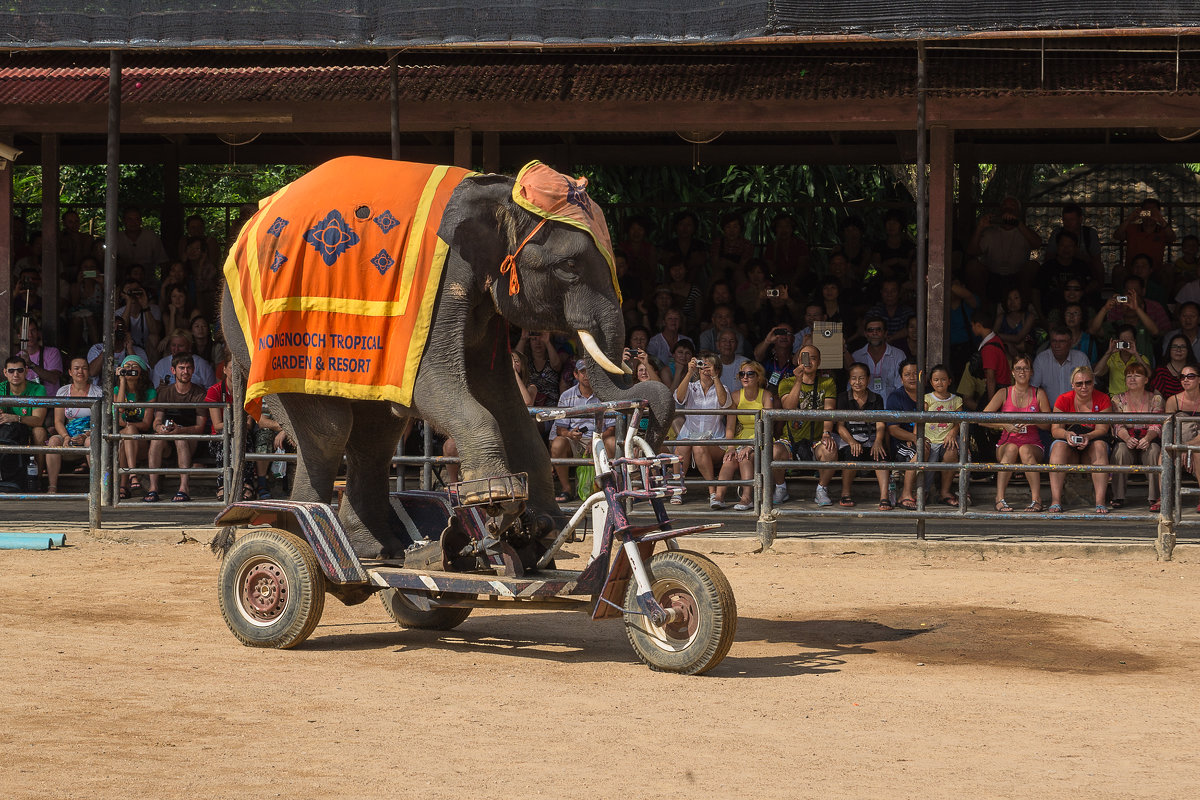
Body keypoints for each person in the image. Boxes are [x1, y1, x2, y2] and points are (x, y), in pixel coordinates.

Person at [711, 359, 790, 510]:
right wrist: (731, 447)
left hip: (760, 438)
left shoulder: (766, 395)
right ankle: (719, 497)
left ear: (758, 377)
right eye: (742, 374)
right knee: (729, 459)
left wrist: (751, 445)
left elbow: (768, 426)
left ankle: (747, 498)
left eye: (750, 374)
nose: (745, 377)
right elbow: (730, 427)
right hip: (740, 438)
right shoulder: (735, 396)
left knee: (746, 457)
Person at [982, 354, 1050, 513]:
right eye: (1018, 368)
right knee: (1012, 448)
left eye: (1026, 368)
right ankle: (999, 499)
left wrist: (1033, 420)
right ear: (1012, 372)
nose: (1022, 372)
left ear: (1031, 372)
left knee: (1025, 449)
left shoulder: (1039, 393)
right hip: (1007, 442)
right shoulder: (1003, 393)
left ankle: (1036, 500)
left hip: (1032, 444)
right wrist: (1004, 425)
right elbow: (982, 418)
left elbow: (1048, 425)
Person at [777, 344, 838, 506]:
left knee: (830, 450)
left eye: (813, 358)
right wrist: (798, 380)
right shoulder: (786, 382)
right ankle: (780, 487)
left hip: (816, 439)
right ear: (798, 360)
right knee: (774, 450)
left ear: (819, 362)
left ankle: (821, 489)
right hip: (790, 439)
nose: (809, 361)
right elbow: (788, 407)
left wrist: (827, 433)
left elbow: (829, 410)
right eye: (805, 357)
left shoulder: (828, 382)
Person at [548, 361, 616, 503]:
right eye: (583, 371)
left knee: (612, 442)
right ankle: (566, 489)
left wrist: (597, 439)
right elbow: (560, 428)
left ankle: (608, 489)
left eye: (590, 371)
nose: (587, 375)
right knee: (557, 443)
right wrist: (570, 434)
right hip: (575, 440)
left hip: (600, 438)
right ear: (576, 374)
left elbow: (611, 428)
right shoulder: (567, 396)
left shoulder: (605, 395)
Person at [1047, 366, 1112, 514]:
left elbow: (1103, 429)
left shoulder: (1102, 398)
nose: (1084, 387)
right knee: (1057, 447)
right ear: (1072, 385)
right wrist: (1067, 435)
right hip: (1069, 445)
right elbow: (1055, 430)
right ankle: (1056, 501)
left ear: (1093, 382)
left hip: (1093, 442)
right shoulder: (1063, 399)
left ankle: (1100, 502)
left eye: (1088, 382)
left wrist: (1088, 437)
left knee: (1100, 446)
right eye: (1079, 384)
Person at [144, 353, 207, 502]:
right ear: (173, 370)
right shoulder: (164, 392)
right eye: (181, 368)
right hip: (167, 441)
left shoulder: (200, 394)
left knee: (180, 439)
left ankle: (184, 488)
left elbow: (200, 427)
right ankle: (153, 488)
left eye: (188, 368)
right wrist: (160, 428)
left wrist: (180, 430)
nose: (185, 372)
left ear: (193, 370)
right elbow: (156, 420)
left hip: (190, 441)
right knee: (155, 438)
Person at [673, 352, 732, 507]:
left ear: (717, 370)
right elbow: (679, 398)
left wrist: (715, 377)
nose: (705, 370)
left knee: (698, 446)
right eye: (702, 366)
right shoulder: (691, 386)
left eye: (709, 366)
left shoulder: (722, 387)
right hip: (689, 438)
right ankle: (677, 490)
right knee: (684, 444)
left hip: (714, 441)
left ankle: (713, 493)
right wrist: (689, 373)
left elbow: (724, 402)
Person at [834, 361, 889, 509]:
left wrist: (878, 441)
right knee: (852, 456)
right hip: (850, 440)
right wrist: (852, 442)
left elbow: (880, 423)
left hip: (871, 440)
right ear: (849, 380)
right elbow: (840, 427)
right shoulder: (843, 398)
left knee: (881, 458)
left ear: (868, 379)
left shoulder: (876, 398)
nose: (857, 382)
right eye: (853, 378)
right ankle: (845, 494)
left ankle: (884, 497)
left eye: (861, 378)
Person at [1109, 361, 1163, 510]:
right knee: (1120, 451)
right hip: (1126, 439)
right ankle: (1118, 496)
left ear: (1146, 380)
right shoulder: (1117, 399)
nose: (1132, 379)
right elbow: (1117, 424)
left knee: (1154, 451)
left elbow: (1157, 423)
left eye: (1137, 375)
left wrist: (1147, 438)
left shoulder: (1156, 399)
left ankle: (1155, 497)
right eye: (1129, 376)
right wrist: (1127, 438)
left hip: (1148, 439)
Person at [967, 195, 1042, 301]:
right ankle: (980, 307)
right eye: (1005, 206)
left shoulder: (1024, 231)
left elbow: (1037, 244)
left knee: (1032, 266)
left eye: (1012, 206)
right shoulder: (991, 232)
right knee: (972, 266)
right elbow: (972, 251)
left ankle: (1024, 307)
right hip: (992, 276)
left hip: (1017, 276)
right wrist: (980, 228)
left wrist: (1018, 223)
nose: (1008, 209)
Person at [45, 357, 103, 494]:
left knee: (90, 442)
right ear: (70, 372)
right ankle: (52, 486)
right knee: (53, 440)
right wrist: (65, 437)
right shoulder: (63, 392)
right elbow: (58, 421)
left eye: (84, 368)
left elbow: (101, 422)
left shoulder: (98, 392)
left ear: (89, 371)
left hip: (90, 433)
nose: (80, 371)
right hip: (69, 434)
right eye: (76, 368)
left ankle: (97, 487)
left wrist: (85, 434)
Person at [113, 354, 155, 499]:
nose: (130, 369)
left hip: (142, 440)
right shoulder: (117, 390)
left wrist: (128, 425)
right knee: (125, 438)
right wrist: (122, 382)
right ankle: (132, 476)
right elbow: (119, 411)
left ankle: (124, 484)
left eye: (134, 366)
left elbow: (146, 424)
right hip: (124, 438)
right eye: (127, 366)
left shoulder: (150, 393)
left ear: (141, 371)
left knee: (128, 433)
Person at [923, 364, 964, 507]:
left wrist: (953, 432)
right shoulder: (927, 398)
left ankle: (945, 492)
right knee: (929, 465)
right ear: (930, 382)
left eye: (943, 379)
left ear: (950, 381)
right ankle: (925, 491)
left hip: (948, 439)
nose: (939, 383)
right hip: (930, 438)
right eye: (936, 380)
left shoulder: (956, 400)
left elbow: (959, 421)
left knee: (952, 453)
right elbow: (919, 420)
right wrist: (915, 437)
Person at [885, 359, 922, 509]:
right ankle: (905, 494)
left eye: (915, 374)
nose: (912, 377)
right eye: (907, 374)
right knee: (921, 451)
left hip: (927, 440)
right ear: (901, 378)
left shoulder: (928, 395)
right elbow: (893, 429)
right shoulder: (896, 397)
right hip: (901, 444)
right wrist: (914, 438)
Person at [1165, 365, 1200, 509]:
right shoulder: (1173, 400)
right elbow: (1168, 428)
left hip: (1197, 444)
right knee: (1163, 455)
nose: (1186, 379)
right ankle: (1164, 499)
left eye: (1190, 376)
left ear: (1199, 379)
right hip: (1178, 443)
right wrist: (1179, 447)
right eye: (1182, 377)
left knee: (1198, 454)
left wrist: (1189, 447)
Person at [1032, 326, 1091, 407]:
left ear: (1070, 343)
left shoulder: (1080, 359)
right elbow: (1033, 390)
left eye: (1062, 341)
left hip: (1076, 412)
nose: (1057, 345)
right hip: (1048, 413)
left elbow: (1089, 388)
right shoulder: (1041, 359)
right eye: (1054, 341)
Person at [1115, 198, 1175, 277]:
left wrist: (1161, 220)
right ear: (1141, 212)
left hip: (1155, 271)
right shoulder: (1132, 228)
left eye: (1152, 211)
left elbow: (1172, 238)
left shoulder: (1163, 230)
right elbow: (1117, 236)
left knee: (1169, 269)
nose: (1149, 214)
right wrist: (1129, 219)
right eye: (1146, 211)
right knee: (1118, 269)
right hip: (1133, 271)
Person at [851, 316, 905, 401]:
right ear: (865, 334)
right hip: (864, 409)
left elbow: (901, 387)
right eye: (870, 330)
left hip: (891, 408)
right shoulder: (857, 356)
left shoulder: (898, 355)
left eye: (878, 330)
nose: (874, 333)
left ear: (885, 333)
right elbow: (851, 388)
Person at [0, 355, 48, 449]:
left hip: (29, 430)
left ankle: (39, 464)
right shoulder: (1, 388)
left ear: (26, 371)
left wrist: (15, 418)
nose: (15, 374)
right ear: (5, 372)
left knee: (39, 431)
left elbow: (38, 421)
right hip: (6, 431)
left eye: (20, 370)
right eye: (11, 371)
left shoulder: (38, 389)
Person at [1093, 324, 1150, 395]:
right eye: (1123, 341)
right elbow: (1097, 373)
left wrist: (1135, 353)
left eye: (1128, 341)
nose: (1125, 344)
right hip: (1115, 400)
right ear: (1117, 341)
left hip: (1136, 398)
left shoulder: (1141, 358)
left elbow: (1149, 374)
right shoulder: (1112, 358)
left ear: (1134, 341)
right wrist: (1109, 352)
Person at [151, 329, 215, 389]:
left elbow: (211, 390)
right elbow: (155, 390)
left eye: (180, 346)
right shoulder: (161, 365)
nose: (176, 349)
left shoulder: (201, 364)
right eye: (173, 345)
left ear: (189, 346)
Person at [15, 317, 64, 396]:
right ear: (19, 336)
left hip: (50, 403)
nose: (30, 335)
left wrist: (30, 364)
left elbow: (53, 378)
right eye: (26, 332)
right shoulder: (17, 358)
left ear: (38, 333)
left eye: (33, 330)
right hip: (27, 404)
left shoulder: (52, 352)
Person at [517, 329, 566, 405]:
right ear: (529, 343)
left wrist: (547, 342)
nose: (538, 343)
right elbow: (516, 360)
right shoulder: (526, 362)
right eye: (534, 339)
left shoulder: (551, 360)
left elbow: (556, 365)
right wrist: (523, 339)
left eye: (541, 339)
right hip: (530, 405)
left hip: (551, 407)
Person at [116, 277, 162, 354]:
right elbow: (123, 330)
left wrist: (145, 306)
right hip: (127, 347)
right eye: (129, 291)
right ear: (122, 295)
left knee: (154, 338)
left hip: (148, 348)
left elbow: (155, 331)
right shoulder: (118, 313)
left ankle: (151, 366)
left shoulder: (153, 309)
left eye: (136, 290)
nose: (133, 294)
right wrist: (129, 302)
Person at [115, 206, 169, 271]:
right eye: (130, 219)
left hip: (148, 279)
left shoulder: (151, 236)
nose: (133, 222)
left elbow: (163, 261)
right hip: (122, 279)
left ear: (141, 221)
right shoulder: (117, 238)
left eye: (137, 219)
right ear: (124, 221)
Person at [865, 278, 914, 345]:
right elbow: (864, 327)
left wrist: (892, 338)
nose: (889, 295)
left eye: (893, 291)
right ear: (881, 293)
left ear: (899, 293)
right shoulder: (874, 312)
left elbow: (912, 329)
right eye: (886, 291)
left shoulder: (907, 312)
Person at [995, 288, 1038, 358]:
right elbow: (991, 339)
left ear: (1022, 299)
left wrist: (998, 336)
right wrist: (1007, 344)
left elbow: (1018, 338)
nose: (1012, 302)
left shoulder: (1029, 317)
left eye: (1016, 298)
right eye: (1009, 299)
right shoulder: (1001, 318)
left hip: (1027, 360)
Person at [1152, 333, 1196, 398]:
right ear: (1169, 350)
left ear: (1188, 350)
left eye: (1183, 347)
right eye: (1175, 346)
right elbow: (1157, 398)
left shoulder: (1195, 371)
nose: (1178, 350)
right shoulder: (1161, 372)